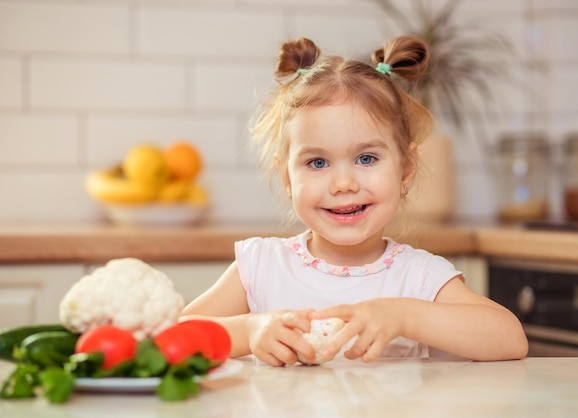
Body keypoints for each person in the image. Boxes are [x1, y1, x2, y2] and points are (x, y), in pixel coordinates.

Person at [180, 36, 528, 366]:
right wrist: (246, 331)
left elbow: (510, 339)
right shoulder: (260, 268)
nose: (344, 183)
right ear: (287, 177)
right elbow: (172, 341)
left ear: (406, 169)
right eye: (317, 162)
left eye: (366, 159)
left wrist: (404, 315)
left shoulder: (419, 277)